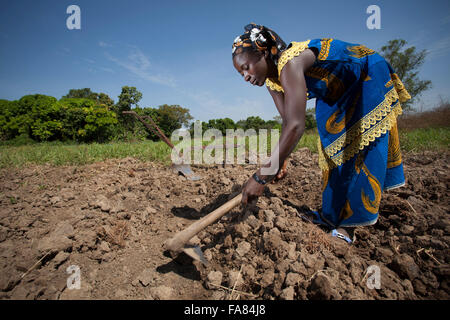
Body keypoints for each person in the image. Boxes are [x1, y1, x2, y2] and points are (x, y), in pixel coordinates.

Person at [232, 23, 411, 243]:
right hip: (334, 91)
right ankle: (330, 217)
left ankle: (349, 227)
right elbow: (288, 121)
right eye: (241, 73)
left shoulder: (290, 62)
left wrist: (261, 177)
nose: (246, 77)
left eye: (246, 67)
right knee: (332, 148)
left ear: (264, 53)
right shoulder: (272, 80)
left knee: (361, 148)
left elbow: (297, 126)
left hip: (364, 76)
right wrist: (282, 159)